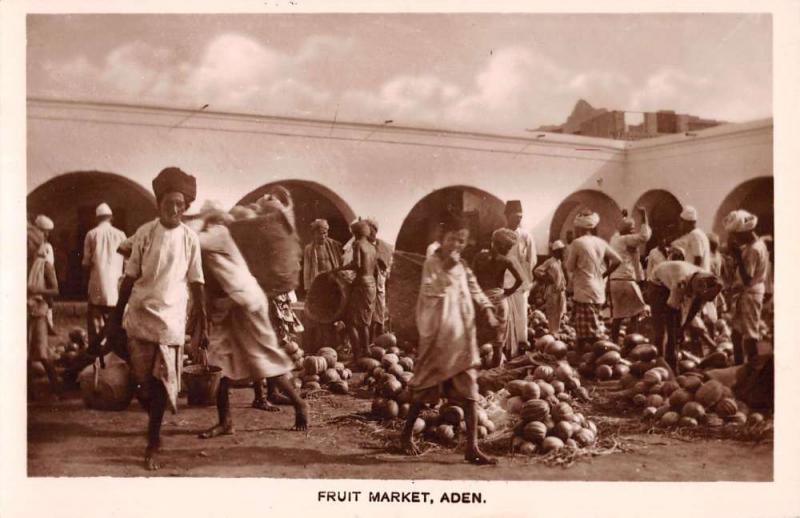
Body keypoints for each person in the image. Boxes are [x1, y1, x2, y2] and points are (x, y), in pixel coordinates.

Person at [106, 167, 208, 471]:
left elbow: (197, 280)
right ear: (159, 203)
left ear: (186, 207)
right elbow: (130, 277)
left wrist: (202, 317)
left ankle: (153, 440)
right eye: (168, 203)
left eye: (180, 204)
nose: (174, 209)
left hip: (172, 317)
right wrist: (115, 317)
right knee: (143, 384)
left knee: (162, 381)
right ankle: (154, 420)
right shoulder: (146, 233)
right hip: (140, 314)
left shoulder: (190, 238)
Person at [195, 203, 308, 437]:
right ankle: (225, 421)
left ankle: (300, 404)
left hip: (247, 303)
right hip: (230, 306)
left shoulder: (219, 233)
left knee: (263, 358)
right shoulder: (217, 236)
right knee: (220, 362)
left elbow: (191, 238)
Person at [400, 212, 499, 465]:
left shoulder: (463, 266)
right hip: (438, 340)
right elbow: (433, 290)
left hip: (462, 341)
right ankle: (406, 435)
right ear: (442, 238)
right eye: (453, 239)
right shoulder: (432, 263)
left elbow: (475, 288)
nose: (456, 245)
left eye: (462, 241)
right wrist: (449, 266)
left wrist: (487, 308)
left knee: (471, 395)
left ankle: (472, 447)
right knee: (423, 391)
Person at [646, 261, 722, 370]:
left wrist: (683, 328)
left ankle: (672, 357)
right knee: (662, 330)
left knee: (678, 326)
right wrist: (676, 334)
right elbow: (670, 313)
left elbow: (694, 309)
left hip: (677, 278)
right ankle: (663, 362)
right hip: (658, 284)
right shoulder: (680, 284)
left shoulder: (708, 279)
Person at [565, 209, 622, 352]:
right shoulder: (600, 242)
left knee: (588, 334)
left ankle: (607, 353)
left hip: (584, 290)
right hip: (598, 290)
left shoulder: (577, 243)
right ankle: (588, 359)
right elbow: (617, 260)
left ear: (579, 228)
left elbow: (570, 267)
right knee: (589, 329)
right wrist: (603, 275)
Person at [724, 210, 769, 365]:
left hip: (750, 293)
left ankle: (753, 369)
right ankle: (739, 366)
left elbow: (747, 278)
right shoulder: (756, 245)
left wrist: (737, 257)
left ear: (745, 233)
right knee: (736, 334)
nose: (735, 239)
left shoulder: (753, 250)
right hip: (748, 292)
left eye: (737, 235)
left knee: (750, 334)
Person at [472, 228, 523, 367]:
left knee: (478, 339)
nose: (508, 250)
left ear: (492, 242)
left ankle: (475, 372)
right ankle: (495, 373)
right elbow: (520, 280)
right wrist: (508, 292)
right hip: (500, 301)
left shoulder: (479, 257)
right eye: (508, 247)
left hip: (482, 301)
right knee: (498, 343)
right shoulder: (505, 261)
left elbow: (472, 279)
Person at [82, 203, 127, 346]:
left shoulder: (91, 234)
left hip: (97, 285)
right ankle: (111, 353)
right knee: (114, 324)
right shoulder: (120, 234)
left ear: (96, 218)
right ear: (111, 218)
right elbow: (127, 262)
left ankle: (96, 355)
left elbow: (86, 263)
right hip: (115, 287)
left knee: (96, 326)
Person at [608, 207, 652, 343]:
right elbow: (645, 236)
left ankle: (614, 342)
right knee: (637, 312)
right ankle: (632, 341)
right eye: (632, 230)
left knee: (618, 315)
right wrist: (644, 217)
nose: (634, 233)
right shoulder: (626, 239)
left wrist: (624, 218)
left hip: (614, 280)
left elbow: (622, 229)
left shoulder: (614, 239)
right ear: (628, 232)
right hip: (626, 280)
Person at [335, 220, 377, 359]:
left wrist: (339, 269)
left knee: (350, 321)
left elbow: (357, 264)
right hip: (372, 285)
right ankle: (367, 352)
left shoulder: (358, 244)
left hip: (361, 284)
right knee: (364, 321)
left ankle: (357, 355)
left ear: (356, 233)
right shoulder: (371, 247)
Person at [302, 218, 342, 351]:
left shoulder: (333, 245)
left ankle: (333, 345)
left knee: (333, 315)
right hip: (318, 287)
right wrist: (309, 288)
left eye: (326, 233)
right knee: (319, 317)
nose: (324, 236)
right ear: (314, 233)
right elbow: (307, 269)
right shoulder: (309, 249)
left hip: (332, 285)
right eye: (321, 233)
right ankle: (319, 346)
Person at [503, 200, 537, 356]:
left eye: (520, 217)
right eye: (515, 216)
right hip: (504, 282)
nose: (518, 220)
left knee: (521, 317)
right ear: (507, 216)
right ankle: (507, 350)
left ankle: (520, 350)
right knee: (506, 317)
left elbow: (532, 259)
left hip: (521, 284)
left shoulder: (526, 235)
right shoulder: (500, 234)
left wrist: (525, 278)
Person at [27, 241, 60, 397]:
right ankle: (30, 391)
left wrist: (37, 290)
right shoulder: (32, 265)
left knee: (41, 353)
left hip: (39, 310)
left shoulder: (46, 266)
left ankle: (57, 389)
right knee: (26, 352)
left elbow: (55, 290)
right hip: (28, 309)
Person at [365, 217, 394, 337]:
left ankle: (379, 339)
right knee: (367, 313)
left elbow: (388, 267)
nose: (370, 233)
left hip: (380, 284)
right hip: (367, 284)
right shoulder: (361, 244)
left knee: (380, 313)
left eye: (372, 230)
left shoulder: (384, 246)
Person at [534, 240, 568, 334]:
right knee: (552, 313)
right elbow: (537, 271)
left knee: (559, 312)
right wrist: (546, 278)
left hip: (560, 291)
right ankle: (552, 332)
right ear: (556, 252)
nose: (563, 253)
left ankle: (555, 332)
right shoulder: (550, 261)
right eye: (561, 251)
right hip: (552, 291)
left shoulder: (559, 262)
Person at [33, 215, 57, 335]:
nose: (46, 234)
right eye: (44, 231)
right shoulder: (35, 244)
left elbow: (49, 263)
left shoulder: (47, 246)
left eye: (47, 232)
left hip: (46, 271)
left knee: (49, 301)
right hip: (38, 272)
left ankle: (49, 324)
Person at [671, 205, 711, 271]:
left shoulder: (695, 235)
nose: (681, 225)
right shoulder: (700, 234)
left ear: (686, 222)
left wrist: (693, 275)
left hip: (698, 276)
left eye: (682, 222)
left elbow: (698, 258)